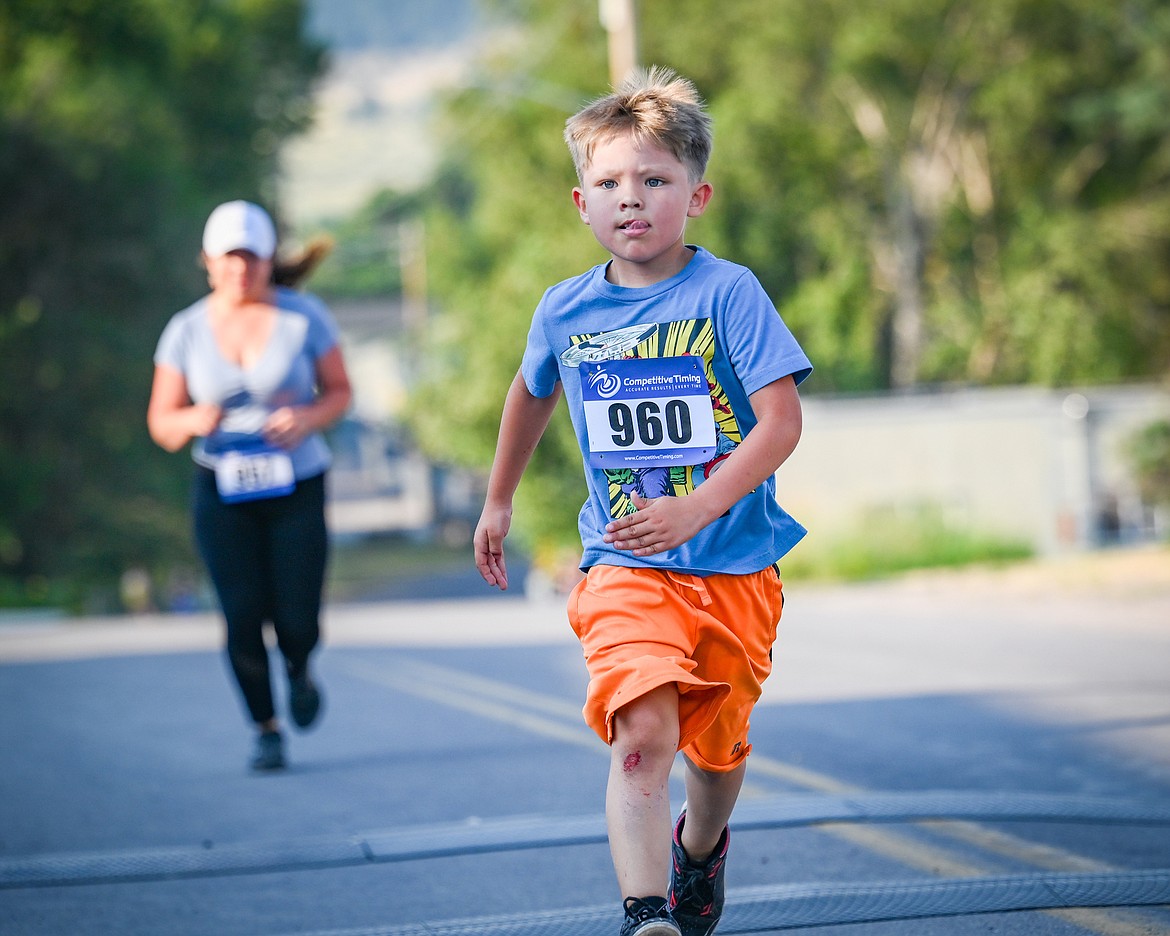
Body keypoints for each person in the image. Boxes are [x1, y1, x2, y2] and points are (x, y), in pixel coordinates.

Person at [474, 67, 812, 936]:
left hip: (734, 560)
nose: (633, 200)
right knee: (640, 740)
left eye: (655, 180)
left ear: (696, 196)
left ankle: (700, 848)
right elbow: (530, 393)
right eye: (610, 184)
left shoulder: (728, 293)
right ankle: (645, 913)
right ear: (579, 202)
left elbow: (779, 423)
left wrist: (698, 509)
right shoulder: (565, 310)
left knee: (717, 753)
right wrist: (498, 501)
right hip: (626, 559)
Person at [147, 200, 352, 772]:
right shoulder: (185, 330)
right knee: (240, 614)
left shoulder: (303, 317)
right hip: (222, 488)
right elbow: (161, 422)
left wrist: (306, 418)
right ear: (208, 262)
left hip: (296, 483)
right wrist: (194, 419)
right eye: (229, 258)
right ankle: (265, 728)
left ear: (267, 260)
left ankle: (299, 667)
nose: (240, 269)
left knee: (297, 615)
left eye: (252, 258)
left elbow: (339, 392)